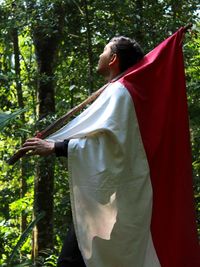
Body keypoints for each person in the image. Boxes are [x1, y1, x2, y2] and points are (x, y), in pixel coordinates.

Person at [20, 37, 161, 267]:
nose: (99, 55)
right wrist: (55, 140)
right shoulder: (117, 91)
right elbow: (92, 135)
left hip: (111, 200)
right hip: (104, 200)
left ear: (114, 58)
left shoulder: (120, 92)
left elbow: (107, 147)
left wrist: (54, 146)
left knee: (71, 261)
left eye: (104, 50)